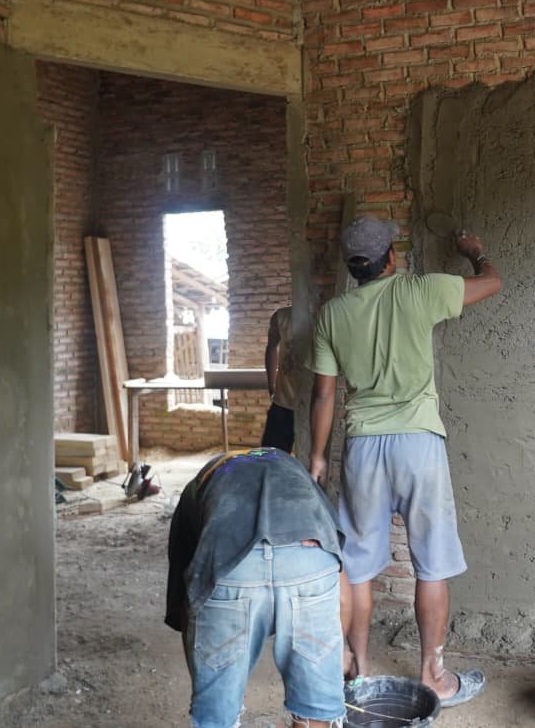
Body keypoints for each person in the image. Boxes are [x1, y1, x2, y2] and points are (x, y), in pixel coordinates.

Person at [308, 215, 502, 707]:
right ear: (390, 259)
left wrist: (317, 457)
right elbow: (492, 282)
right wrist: (474, 252)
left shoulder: (332, 315)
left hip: (363, 449)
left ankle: (357, 671)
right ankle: (433, 676)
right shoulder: (418, 291)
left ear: (353, 267)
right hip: (418, 444)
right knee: (431, 565)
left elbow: (324, 396)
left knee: (357, 567)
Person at [166, 447, 347, 728]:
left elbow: (189, 599)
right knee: (315, 711)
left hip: (231, 564)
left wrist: (209, 679)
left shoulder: (197, 486)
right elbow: (341, 583)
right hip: (309, 559)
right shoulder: (295, 472)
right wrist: (336, 651)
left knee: (217, 717)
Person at [262, 305, 297, 453]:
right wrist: (272, 386)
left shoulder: (282, 316)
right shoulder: (282, 317)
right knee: (271, 456)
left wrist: (272, 386)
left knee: (272, 457)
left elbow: (271, 348)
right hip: (284, 402)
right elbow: (271, 348)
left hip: (312, 405)